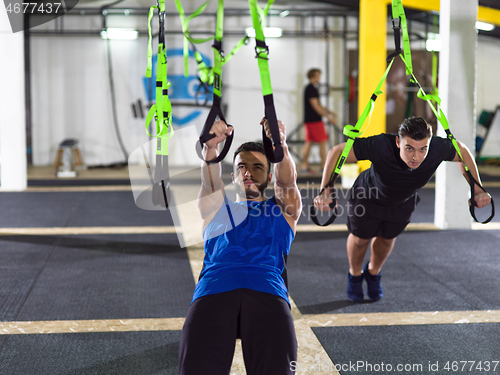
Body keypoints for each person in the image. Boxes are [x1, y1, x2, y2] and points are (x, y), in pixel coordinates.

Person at [313, 117, 491, 302]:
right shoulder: (381, 145)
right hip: (367, 197)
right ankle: (355, 275)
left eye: (423, 149)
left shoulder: (436, 148)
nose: (416, 157)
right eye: (409, 148)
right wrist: (325, 190)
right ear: (398, 141)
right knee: (360, 240)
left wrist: (477, 187)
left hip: (402, 201)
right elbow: (337, 152)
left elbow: (461, 151)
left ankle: (373, 273)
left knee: (386, 240)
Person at [179, 118, 302, 374]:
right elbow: (209, 182)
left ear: (269, 175)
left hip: (267, 291)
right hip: (213, 291)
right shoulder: (215, 208)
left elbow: (287, 182)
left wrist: (281, 147)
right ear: (232, 174)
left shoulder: (282, 209)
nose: (247, 172)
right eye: (241, 167)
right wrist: (210, 151)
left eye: (257, 167)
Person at [301, 68, 337, 175]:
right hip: (315, 121)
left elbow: (318, 105)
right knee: (323, 142)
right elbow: (316, 107)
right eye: (318, 76)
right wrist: (328, 117)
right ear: (312, 77)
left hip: (309, 120)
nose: (319, 78)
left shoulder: (310, 88)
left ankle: (304, 166)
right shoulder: (311, 89)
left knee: (309, 142)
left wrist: (329, 111)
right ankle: (324, 166)